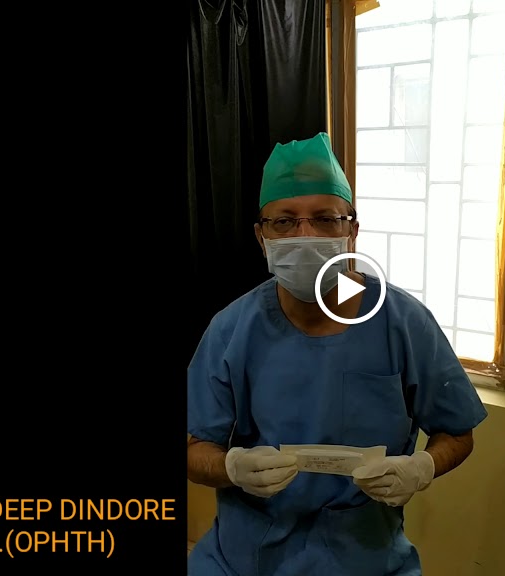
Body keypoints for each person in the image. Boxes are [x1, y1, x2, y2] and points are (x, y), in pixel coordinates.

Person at [187, 132, 488, 575]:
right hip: (247, 556)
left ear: (352, 231)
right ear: (261, 237)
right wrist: (231, 467)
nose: (305, 236)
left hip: (366, 556)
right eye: (284, 222)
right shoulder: (232, 330)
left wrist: (422, 467)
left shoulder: (401, 323)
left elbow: (458, 433)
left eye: (325, 219)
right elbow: (195, 448)